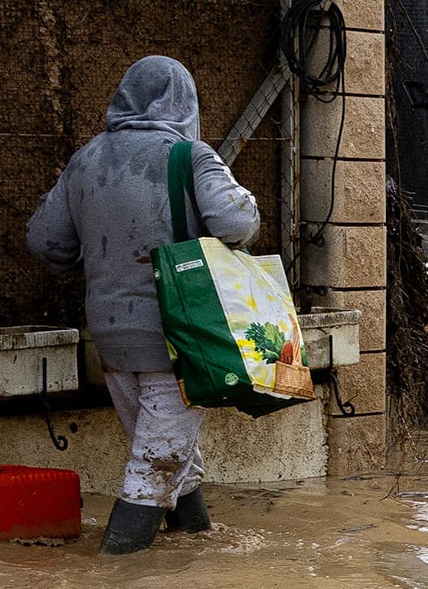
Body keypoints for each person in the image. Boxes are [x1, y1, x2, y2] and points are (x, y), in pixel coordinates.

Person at [28, 56, 262, 554]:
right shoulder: (190, 155)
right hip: (179, 337)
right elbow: (236, 223)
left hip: (110, 339)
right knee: (154, 462)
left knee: (168, 451)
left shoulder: (85, 159)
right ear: (186, 102)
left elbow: (47, 242)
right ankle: (115, 576)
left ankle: (192, 542)